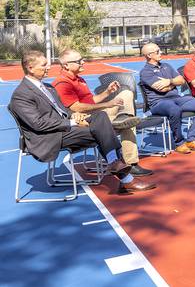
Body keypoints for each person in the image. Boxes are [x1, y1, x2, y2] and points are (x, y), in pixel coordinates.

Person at [9, 50, 155, 194]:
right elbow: (39, 124)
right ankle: (124, 175)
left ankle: (117, 166)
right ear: (30, 67)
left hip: (63, 128)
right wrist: (72, 123)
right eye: (44, 65)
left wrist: (75, 117)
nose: (49, 67)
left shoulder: (47, 87)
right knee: (103, 132)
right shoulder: (21, 94)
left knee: (100, 117)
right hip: (49, 137)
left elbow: (64, 111)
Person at [54, 49, 154, 178]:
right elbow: (77, 107)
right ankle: (131, 162)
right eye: (78, 61)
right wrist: (107, 104)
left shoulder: (79, 79)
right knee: (127, 126)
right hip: (87, 119)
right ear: (66, 65)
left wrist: (108, 92)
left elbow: (91, 101)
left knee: (127, 93)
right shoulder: (63, 83)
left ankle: (122, 117)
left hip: (97, 112)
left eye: (82, 59)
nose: (83, 62)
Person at [139, 43, 195, 154]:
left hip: (177, 98)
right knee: (174, 109)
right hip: (159, 103)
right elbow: (161, 90)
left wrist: (169, 81)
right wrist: (174, 83)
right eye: (157, 51)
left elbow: (181, 80)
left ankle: (191, 139)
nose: (161, 52)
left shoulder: (166, 66)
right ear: (149, 55)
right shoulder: (145, 72)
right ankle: (179, 143)